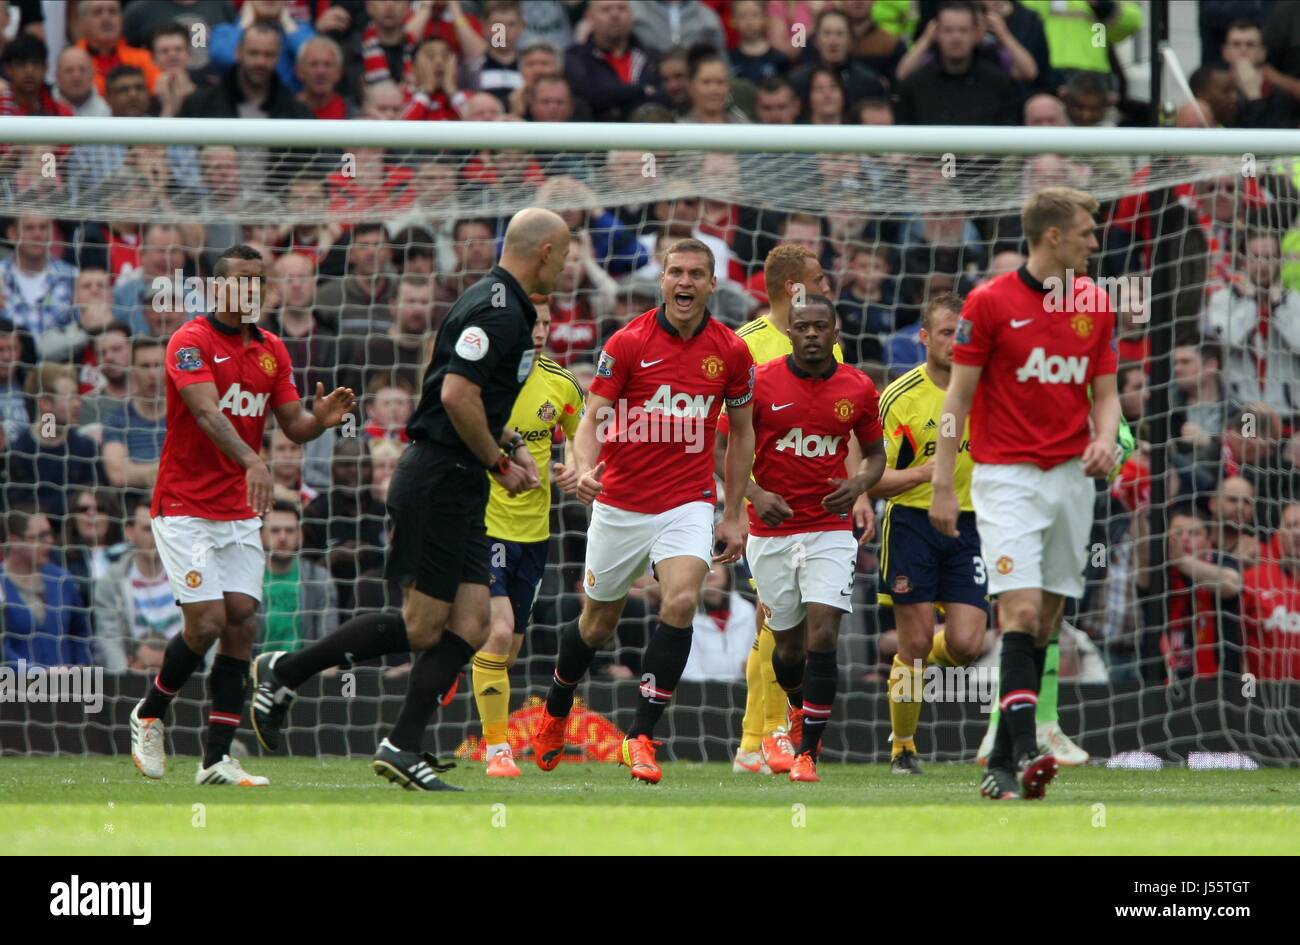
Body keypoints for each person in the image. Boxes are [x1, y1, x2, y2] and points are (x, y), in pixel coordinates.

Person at [250, 209, 570, 791]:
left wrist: (509, 444)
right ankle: (285, 670)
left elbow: (471, 399)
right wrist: (499, 462)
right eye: (566, 254)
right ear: (546, 251)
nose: (568, 265)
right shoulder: (497, 310)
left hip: (462, 477)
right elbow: (453, 395)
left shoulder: (501, 305)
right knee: (424, 627)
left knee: (472, 623)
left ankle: (402, 744)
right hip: (438, 478)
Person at [128, 244, 356, 788]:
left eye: (261, 281)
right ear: (218, 288)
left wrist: (318, 420)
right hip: (184, 505)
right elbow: (206, 412)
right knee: (205, 622)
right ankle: (150, 713)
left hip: (237, 507)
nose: (255, 290)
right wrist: (255, 459)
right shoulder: (190, 343)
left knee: (241, 623)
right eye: (244, 281)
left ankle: (215, 760)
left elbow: (293, 426)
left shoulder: (273, 349)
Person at [530, 237, 756, 785]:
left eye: (696, 274)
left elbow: (743, 433)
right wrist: (584, 468)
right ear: (662, 278)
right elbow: (590, 419)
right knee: (596, 623)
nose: (684, 282)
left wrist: (736, 512)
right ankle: (557, 706)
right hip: (621, 504)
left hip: (688, 501)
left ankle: (640, 738)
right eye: (675, 272)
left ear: (711, 284)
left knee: (681, 601)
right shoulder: (629, 342)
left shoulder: (730, 350)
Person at [930, 186, 1120, 800]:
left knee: (1047, 626)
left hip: (1072, 479)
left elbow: (1108, 392)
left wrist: (1106, 440)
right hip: (1006, 476)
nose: (1096, 241)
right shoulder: (988, 305)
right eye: (1088, 231)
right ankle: (1028, 752)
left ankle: (1002, 765)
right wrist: (941, 484)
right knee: (1020, 614)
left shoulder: (1096, 302)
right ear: (1053, 237)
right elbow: (956, 401)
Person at [747, 295, 885, 782]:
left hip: (829, 528)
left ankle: (808, 751)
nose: (810, 334)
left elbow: (875, 455)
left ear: (834, 332)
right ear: (789, 332)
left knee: (824, 630)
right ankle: (796, 707)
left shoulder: (858, 387)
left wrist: (859, 484)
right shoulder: (759, 383)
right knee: (787, 649)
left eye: (819, 326)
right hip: (770, 530)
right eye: (801, 326)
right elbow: (724, 447)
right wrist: (753, 492)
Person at [731, 242, 849, 777]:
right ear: (793, 288)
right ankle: (763, 737)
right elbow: (725, 431)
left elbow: (842, 425)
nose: (827, 287)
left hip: (819, 510)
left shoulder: (829, 345)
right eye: (819, 279)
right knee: (776, 620)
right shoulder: (745, 346)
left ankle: (761, 740)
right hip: (763, 506)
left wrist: (858, 492)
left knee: (786, 624)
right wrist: (747, 498)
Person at [868, 293, 988, 774]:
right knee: (913, 645)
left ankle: (913, 663)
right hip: (913, 524)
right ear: (924, 338)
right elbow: (873, 479)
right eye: (944, 333)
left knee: (965, 646)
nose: (954, 342)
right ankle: (903, 748)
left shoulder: (988, 390)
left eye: (962, 333)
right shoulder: (899, 398)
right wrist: (928, 475)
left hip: (973, 523)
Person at [471, 299, 584, 777]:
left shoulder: (560, 383)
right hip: (484, 524)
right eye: (528, 324)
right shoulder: (484, 380)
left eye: (543, 323)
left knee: (508, 648)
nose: (537, 332)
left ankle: (457, 653)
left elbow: (580, 438)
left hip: (535, 535)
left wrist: (575, 469)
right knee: (497, 634)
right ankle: (497, 750)